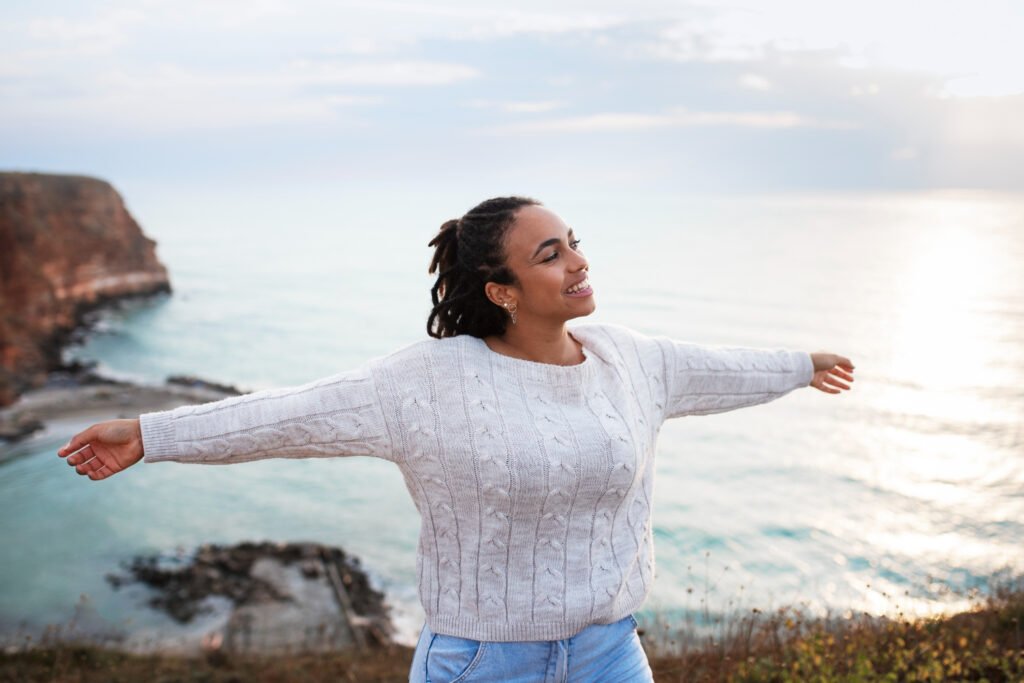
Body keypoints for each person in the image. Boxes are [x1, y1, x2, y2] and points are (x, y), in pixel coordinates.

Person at [58, 196, 854, 682]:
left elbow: (720, 369)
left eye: (573, 240)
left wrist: (800, 363)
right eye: (551, 254)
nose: (579, 261)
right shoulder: (429, 381)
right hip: (481, 662)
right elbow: (288, 413)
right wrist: (150, 432)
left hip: (610, 653)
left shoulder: (631, 359)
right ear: (502, 290)